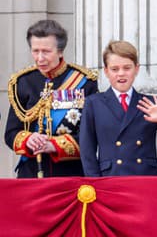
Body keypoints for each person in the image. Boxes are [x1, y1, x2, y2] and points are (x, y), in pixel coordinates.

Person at [79, 40, 157, 176]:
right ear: (106, 71)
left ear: (136, 69)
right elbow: (87, 151)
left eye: (127, 68)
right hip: (111, 178)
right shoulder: (94, 103)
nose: (121, 73)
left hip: (145, 179)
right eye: (115, 69)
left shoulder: (148, 102)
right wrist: (95, 184)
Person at [4, 20, 98, 178]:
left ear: (60, 51)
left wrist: (54, 145)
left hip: (71, 173)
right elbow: (11, 133)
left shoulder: (84, 82)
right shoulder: (22, 82)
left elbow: (93, 134)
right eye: (35, 51)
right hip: (31, 173)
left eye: (46, 51)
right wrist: (28, 139)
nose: (40, 58)